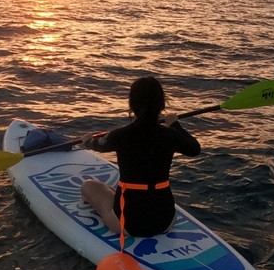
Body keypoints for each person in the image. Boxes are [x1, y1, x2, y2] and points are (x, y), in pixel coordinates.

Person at [80, 76, 201, 237]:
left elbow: (98, 144)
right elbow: (194, 149)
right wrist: (175, 125)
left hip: (128, 224)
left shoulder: (120, 135)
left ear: (132, 105)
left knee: (88, 186)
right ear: (162, 104)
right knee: (115, 191)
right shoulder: (171, 135)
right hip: (165, 221)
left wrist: (87, 141)